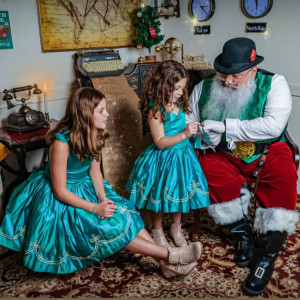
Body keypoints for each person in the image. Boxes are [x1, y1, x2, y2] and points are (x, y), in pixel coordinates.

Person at [0, 87, 203, 278]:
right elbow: (60, 191)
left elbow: (95, 172)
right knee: (113, 224)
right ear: (86, 114)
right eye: (102, 110)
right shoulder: (61, 143)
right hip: (59, 197)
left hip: (85, 185)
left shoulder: (96, 133)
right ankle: (170, 256)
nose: (107, 114)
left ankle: (165, 264)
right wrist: (96, 208)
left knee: (124, 211)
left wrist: (104, 199)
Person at [186, 37, 299, 296]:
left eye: (236, 75)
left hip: (266, 151)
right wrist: (202, 136)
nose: (227, 81)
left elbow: (273, 127)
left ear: (253, 70)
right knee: (205, 169)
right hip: (222, 154)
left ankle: (266, 257)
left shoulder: (275, 84)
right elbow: (189, 124)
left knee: (284, 175)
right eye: (223, 73)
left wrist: (226, 128)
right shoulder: (202, 88)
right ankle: (243, 234)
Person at [126, 60, 210, 249]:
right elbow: (160, 142)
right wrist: (184, 134)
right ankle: (157, 230)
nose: (181, 92)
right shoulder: (155, 109)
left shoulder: (178, 102)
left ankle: (176, 228)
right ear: (165, 85)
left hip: (182, 156)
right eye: (178, 88)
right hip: (164, 159)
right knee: (161, 196)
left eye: (183, 87)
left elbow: (181, 125)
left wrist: (191, 131)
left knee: (179, 194)